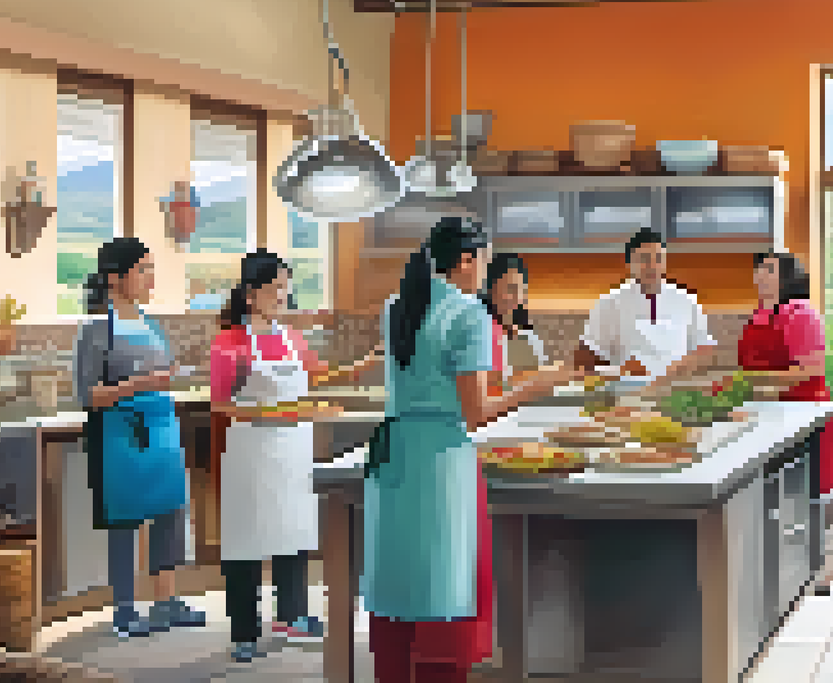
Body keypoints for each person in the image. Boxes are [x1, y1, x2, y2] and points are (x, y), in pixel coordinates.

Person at [364, 217, 579, 683]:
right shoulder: (468, 314)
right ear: (466, 261)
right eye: (483, 261)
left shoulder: (396, 306)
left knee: (399, 582)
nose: (485, 274)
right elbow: (478, 411)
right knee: (441, 584)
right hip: (441, 461)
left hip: (394, 455)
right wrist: (537, 385)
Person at [208, 250, 383, 661]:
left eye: (286, 288)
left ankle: (291, 616)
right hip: (250, 450)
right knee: (246, 540)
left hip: (291, 449)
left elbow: (314, 372)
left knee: (294, 530)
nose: (284, 297)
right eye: (275, 290)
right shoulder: (229, 342)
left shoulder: (291, 337)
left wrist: (358, 367)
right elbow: (220, 404)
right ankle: (244, 632)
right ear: (251, 295)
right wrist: (280, 411)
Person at [74, 237, 206, 638]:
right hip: (122, 432)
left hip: (161, 427)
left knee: (170, 512)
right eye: (143, 269)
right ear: (115, 278)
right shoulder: (97, 327)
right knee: (125, 518)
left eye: (151, 268)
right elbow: (90, 394)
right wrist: (143, 382)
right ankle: (125, 609)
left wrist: (173, 375)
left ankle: (166, 602)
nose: (151, 277)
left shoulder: (150, 324)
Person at [733, 251, 833, 591]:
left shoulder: (801, 314)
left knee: (817, 491)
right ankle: (787, 569)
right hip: (769, 415)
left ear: (788, 277)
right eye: (758, 269)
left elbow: (811, 370)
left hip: (804, 413)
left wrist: (752, 383)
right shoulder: (759, 317)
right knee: (782, 493)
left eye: (769, 269)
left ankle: (827, 566)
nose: (761, 275)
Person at [574, 228, 718, 392]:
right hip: (626, 396)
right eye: (644, 258)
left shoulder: (686, 300)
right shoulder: (609, 303)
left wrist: (674, 371)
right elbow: (585, 358)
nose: (652, 266)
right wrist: (619, 372)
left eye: (658, 258)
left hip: (677, 394)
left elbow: (704, 350)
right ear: (629, 263)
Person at [483, 253, 546, 396]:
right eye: (510, 289)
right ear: (490, 290)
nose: (517, 297)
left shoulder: (527, 338)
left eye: (521, 290)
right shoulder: (478, 334)